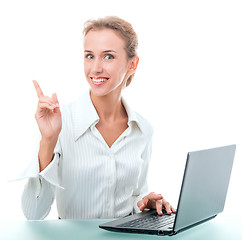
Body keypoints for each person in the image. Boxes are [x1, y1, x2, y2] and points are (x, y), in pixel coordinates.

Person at [21, 16, 176, 220]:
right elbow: (33, 214)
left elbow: (136, 198)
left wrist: (146, 204)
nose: (95, 68)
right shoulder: (61, 122)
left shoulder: (143, 129)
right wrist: (48, 141)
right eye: (89, 56)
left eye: (108, 57)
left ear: (132, 64)